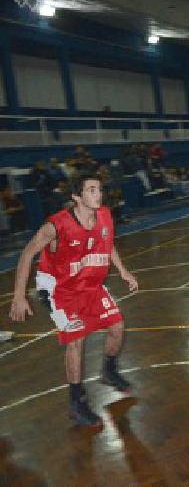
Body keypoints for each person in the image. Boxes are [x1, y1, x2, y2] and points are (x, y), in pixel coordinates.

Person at [8, 173, 139, 428]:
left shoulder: (104, 215)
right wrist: (19, 296)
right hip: (57, 290)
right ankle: (77, 402)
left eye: (99, 189)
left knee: (117, 327)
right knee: (76, 339)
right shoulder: (56, 226)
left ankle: (109, 371)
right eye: (91, 190)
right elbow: (26, 254)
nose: (98, 194)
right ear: (76, 197)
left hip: (89, 285)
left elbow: (107, 241)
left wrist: (123, 271)